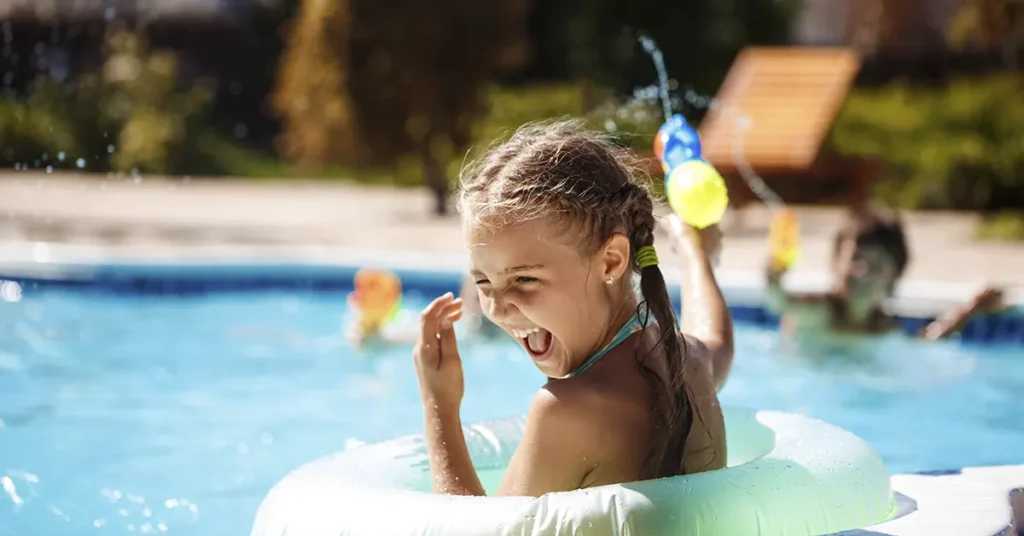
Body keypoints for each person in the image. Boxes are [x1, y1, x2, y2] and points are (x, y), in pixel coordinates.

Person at [412, 120, 735, 497]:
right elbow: (716, 340)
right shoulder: (684, 361)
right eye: (483, 282)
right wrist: (695, 251)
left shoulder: (567, 411)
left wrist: (440, 407)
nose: (497, 309)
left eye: (524, 279)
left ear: (612, 261)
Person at [765, 203, 1005, 340]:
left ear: (894, 276)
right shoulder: (820, 310)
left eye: (876, 266)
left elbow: (923, 342)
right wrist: (775, 274)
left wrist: (970, 308)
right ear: (836, 261)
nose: (863, 272)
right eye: (855, 259)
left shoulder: (882, 326)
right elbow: (778, 301)